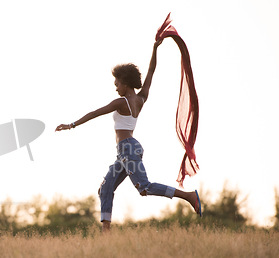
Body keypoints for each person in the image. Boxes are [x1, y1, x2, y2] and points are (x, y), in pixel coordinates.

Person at [55, 39, 202, 233]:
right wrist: (155, 49)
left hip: (128, 149)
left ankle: (189, 196)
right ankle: (105, 233)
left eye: (117, 83)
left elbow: (95, 113)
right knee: (106, 188)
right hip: (127, 150)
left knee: (145, 187)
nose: (115, 86)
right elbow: (151, 72)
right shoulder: (141, 98)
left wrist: (71, 125)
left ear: (125, 83)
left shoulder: (121, 102)